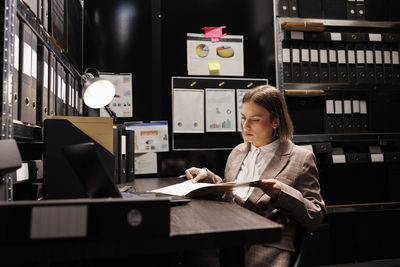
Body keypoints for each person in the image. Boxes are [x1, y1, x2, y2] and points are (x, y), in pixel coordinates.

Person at [184, 85, 326, 267]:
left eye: (255, 120)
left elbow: (316, 215)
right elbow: (231, 190)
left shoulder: (301, 158)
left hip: (266, 246)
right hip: (227, 236)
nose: (245, 126)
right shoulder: (238, 151)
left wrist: (281, 193)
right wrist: (208, 177)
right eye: (243, 118)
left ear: (275, 121)